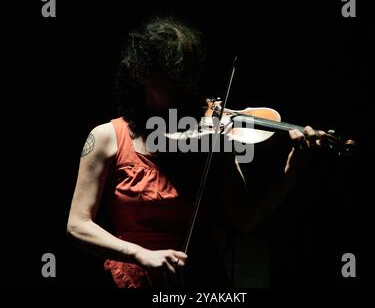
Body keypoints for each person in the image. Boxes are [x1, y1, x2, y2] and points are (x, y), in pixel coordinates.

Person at [66, 17, 325, 288]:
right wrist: (140, 254)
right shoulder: (107, 137)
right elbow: (77, 226)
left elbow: (246, 219)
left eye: (188, 79)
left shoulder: (211, 137)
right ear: (143, 75)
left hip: (198, 277)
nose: (186, 93)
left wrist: (292, 170)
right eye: (173, 81)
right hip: (134, 279)